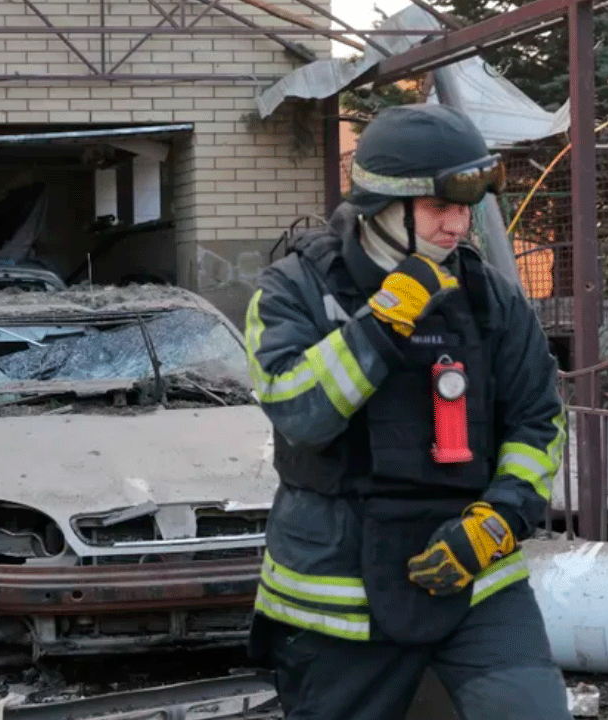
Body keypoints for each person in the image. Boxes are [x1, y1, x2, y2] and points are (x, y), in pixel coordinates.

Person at [242, 104, 571, 720]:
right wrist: (381, 323)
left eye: (466, 209)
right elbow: (298, 414)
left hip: (478, 579)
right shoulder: (294, 290)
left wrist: (498, 520)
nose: (458, 226)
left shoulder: (492, 298)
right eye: (439, 207)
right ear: (383, 206)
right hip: (336, 597)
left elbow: (540, 421)